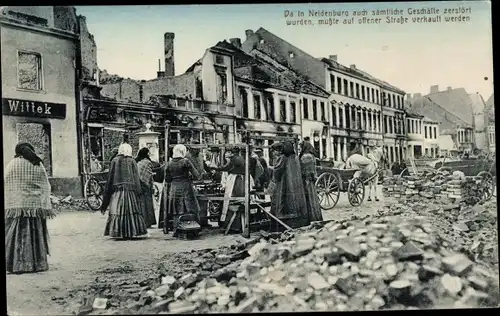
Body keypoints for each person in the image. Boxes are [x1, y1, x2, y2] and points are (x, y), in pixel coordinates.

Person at [5, 142, 55, 274]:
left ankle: (17, 265)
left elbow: (6, 183)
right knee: (35, 234)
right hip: (34, 206)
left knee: (17, 235)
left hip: (17, 206)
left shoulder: (12, 164)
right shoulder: (37, 164)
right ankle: (38, 263)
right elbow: (45, 184)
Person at [101, 143, 148, 239]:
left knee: (117, 211)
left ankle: (118, 232)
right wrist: (138, 192)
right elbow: (136, 178)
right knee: (131, 211)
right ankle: (131, 231)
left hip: (117, 193)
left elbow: (110, 178)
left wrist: (107, 194)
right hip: (130, 192)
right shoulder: (132, 161)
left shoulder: (114, 161)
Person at [158, 144, 201, 237]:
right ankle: (193, 230)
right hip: (186, 187)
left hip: (174, 188)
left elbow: (167, 179)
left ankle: (176, 230)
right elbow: (196, 175)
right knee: (190, 208)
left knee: (176, 210)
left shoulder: (169, 163)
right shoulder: (185, 161)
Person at [269, 141, 309, 231]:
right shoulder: (295, 157)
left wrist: (272, 171)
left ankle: (280, 227)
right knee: (295, 204)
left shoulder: (282, 158)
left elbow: (277, 173)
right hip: (296, 185)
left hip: (285, 185)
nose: (274, 153)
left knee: (282, 204)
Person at [211, 146, 253, 228]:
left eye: (229, 152)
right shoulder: (241, 158)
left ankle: (234, 225)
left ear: (232, 152)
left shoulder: (234, 159)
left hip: (235, 181)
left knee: (232, 199)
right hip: (242, 180)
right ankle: (241, 224)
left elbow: (226, 167)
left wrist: (216, 168)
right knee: (241, 200)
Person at [300, 141, 323, 222]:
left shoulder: (304, 157)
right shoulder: (311, 156)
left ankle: (309, 217)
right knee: (313, 199)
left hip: (305, 181)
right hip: (310, 181)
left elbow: (303, 171)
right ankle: (315, 216)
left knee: (307, 200)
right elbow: (313, 171)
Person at [136, 147, 157, 228]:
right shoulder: (147, 162)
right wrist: (151, 185)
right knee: (147, 204)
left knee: (141, 204)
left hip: (138, 184)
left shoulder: (137, 161)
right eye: (148, 153)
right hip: (145, 185)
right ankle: (148, 221)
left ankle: (141, 221)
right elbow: (149, 175)